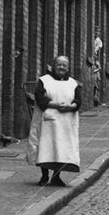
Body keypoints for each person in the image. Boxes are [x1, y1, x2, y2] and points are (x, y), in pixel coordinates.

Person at [35, 55, 82, 187]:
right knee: (46, 148)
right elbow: (39, 97)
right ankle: (44, 176)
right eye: (59, 64)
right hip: (49, 121)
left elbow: (78, 100)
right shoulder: (44, 81)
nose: (61, 67)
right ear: (53, 66)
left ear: (68, 68)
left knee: (62, 149)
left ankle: (56, 176)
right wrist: (54, 105)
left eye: (64, 65)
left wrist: (71, 106)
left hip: (66, 121)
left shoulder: (73, 83)